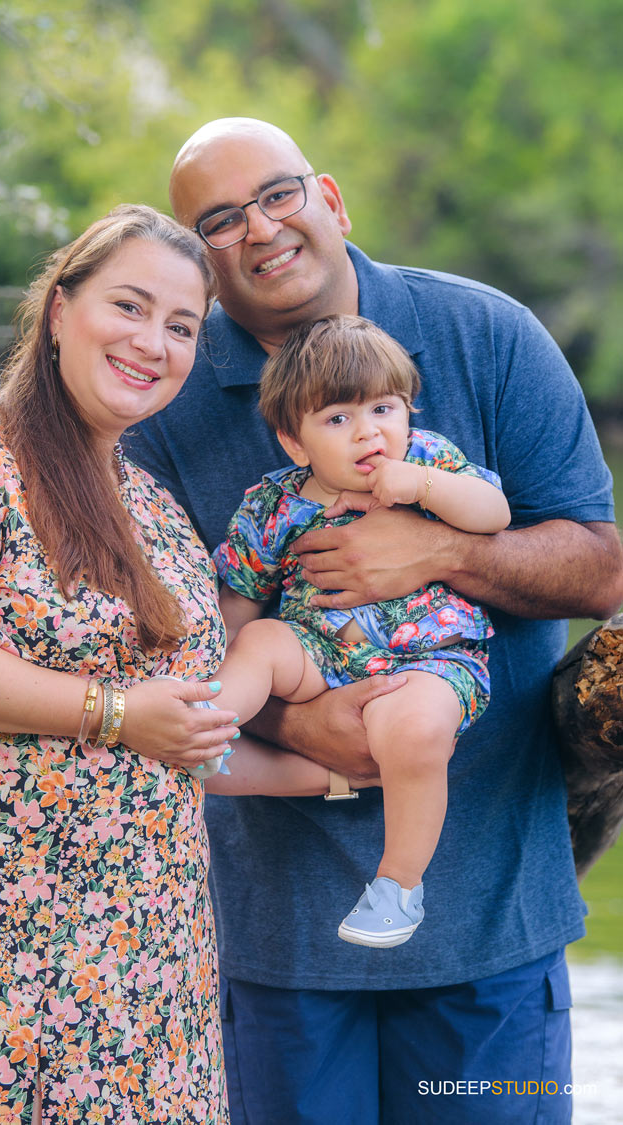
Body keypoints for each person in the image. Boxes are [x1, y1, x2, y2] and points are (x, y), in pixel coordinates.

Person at [124, 119, 623, 1124]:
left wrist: (444, 550)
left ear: (333, 199)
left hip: (492, 928)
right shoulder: (165, 401)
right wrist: (300, 730)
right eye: (219, 220)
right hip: (272, 940)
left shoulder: (485, 337)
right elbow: (163, 640)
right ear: (201, 262)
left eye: (278, 194)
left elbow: (602, 567)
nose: (259, 229)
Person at [0, 203, 335, 1125]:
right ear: (57, 311)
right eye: (128, 306)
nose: (151, 342)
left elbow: (183, 737)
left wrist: (336, 774)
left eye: (181, 326)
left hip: (148, 948)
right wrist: (117, 710)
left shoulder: (158, 514)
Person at [211, 314, 510, 949]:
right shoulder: (275, 505)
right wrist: (220, 662)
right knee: (258, 644)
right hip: (320, 649)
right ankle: (206, 729)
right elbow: (238, 599)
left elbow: (494, 515)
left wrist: (424, 485)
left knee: (415, 732)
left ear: (409, 412)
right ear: (296, 443)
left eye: (384, 408)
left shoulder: (431, 462)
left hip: (433, 657)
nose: (369, 431)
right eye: (338, 418)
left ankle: (397, 885)